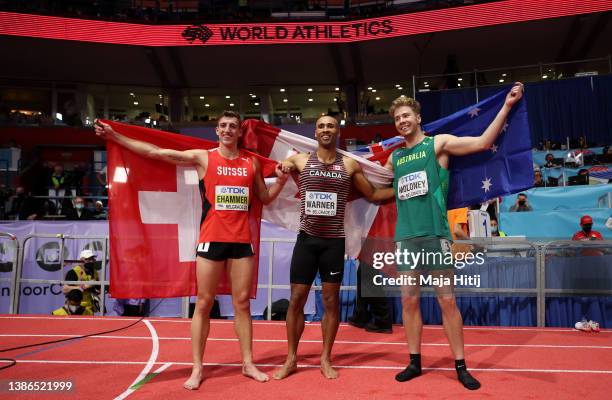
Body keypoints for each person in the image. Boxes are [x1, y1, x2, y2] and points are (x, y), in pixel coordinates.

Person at [95, 111, 288, 390]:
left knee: (242, 304)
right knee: (204, 303)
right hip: (211, 240)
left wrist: (280, 181)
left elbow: (265, 198)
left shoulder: (252, 163)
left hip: (241, 241)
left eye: (233, 126)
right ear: (216, 131)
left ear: (238, 132)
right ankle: (197, 367)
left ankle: (248, 363)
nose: (227, 130)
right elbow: (157, 152)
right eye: (222, 125)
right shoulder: (203, 157)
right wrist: (116, 136)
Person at [380, 83, 524, 390]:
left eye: (406, 115)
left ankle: (460, 365)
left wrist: (507, 106)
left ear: (418, 118)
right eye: (397, 118)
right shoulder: (394, 159)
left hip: (435, 236)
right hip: (406, 238)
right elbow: (373, 184)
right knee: (408, 301)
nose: (402, 121)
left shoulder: (438, 145)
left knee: (446, 301)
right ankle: (414, 361)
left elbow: (484, 143)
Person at [273, 115, 389, 380]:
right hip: (306, 241)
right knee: (296, 300)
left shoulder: (348, 165)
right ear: (315, 132)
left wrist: (402, 191)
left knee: (330, 302)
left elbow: (372, 195)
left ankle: (326, 358)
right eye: (322, 126)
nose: (326, 130)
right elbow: (279, 167)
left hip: (333, 243)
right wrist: (281, 168)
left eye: (331, 126)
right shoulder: (300, 160)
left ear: (338, 132)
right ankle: (291, 358)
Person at [62, 249, 101, 315]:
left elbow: (98, 290)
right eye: (88, 259)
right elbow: (65, 289)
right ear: (81, 260)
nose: (91, 261)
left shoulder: (95, 272)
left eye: (93, 259)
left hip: (90, 308)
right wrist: (83, 287)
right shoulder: (73, 272)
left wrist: (99, 289)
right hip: (76, 307)